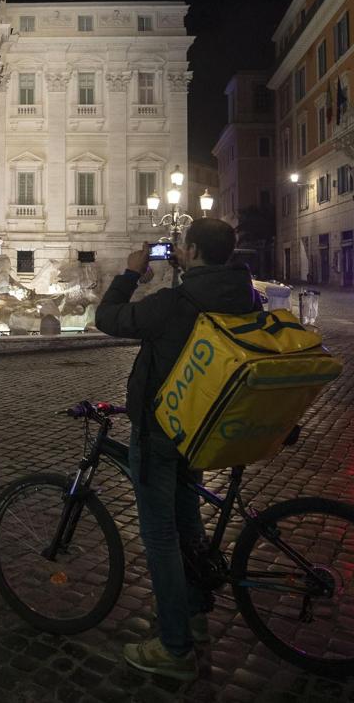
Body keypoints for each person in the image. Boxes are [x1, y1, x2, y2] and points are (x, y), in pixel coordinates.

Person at [94, 218, 261, 680]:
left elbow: (106, 318)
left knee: (161, 537)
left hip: (163, 430)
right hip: (204, 428)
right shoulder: (247, 295)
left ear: (189, 250)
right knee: (188, 525)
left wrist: (129, 274)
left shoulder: (174, 302)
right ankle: (193, 614)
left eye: (182, 248)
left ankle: (174, 646)